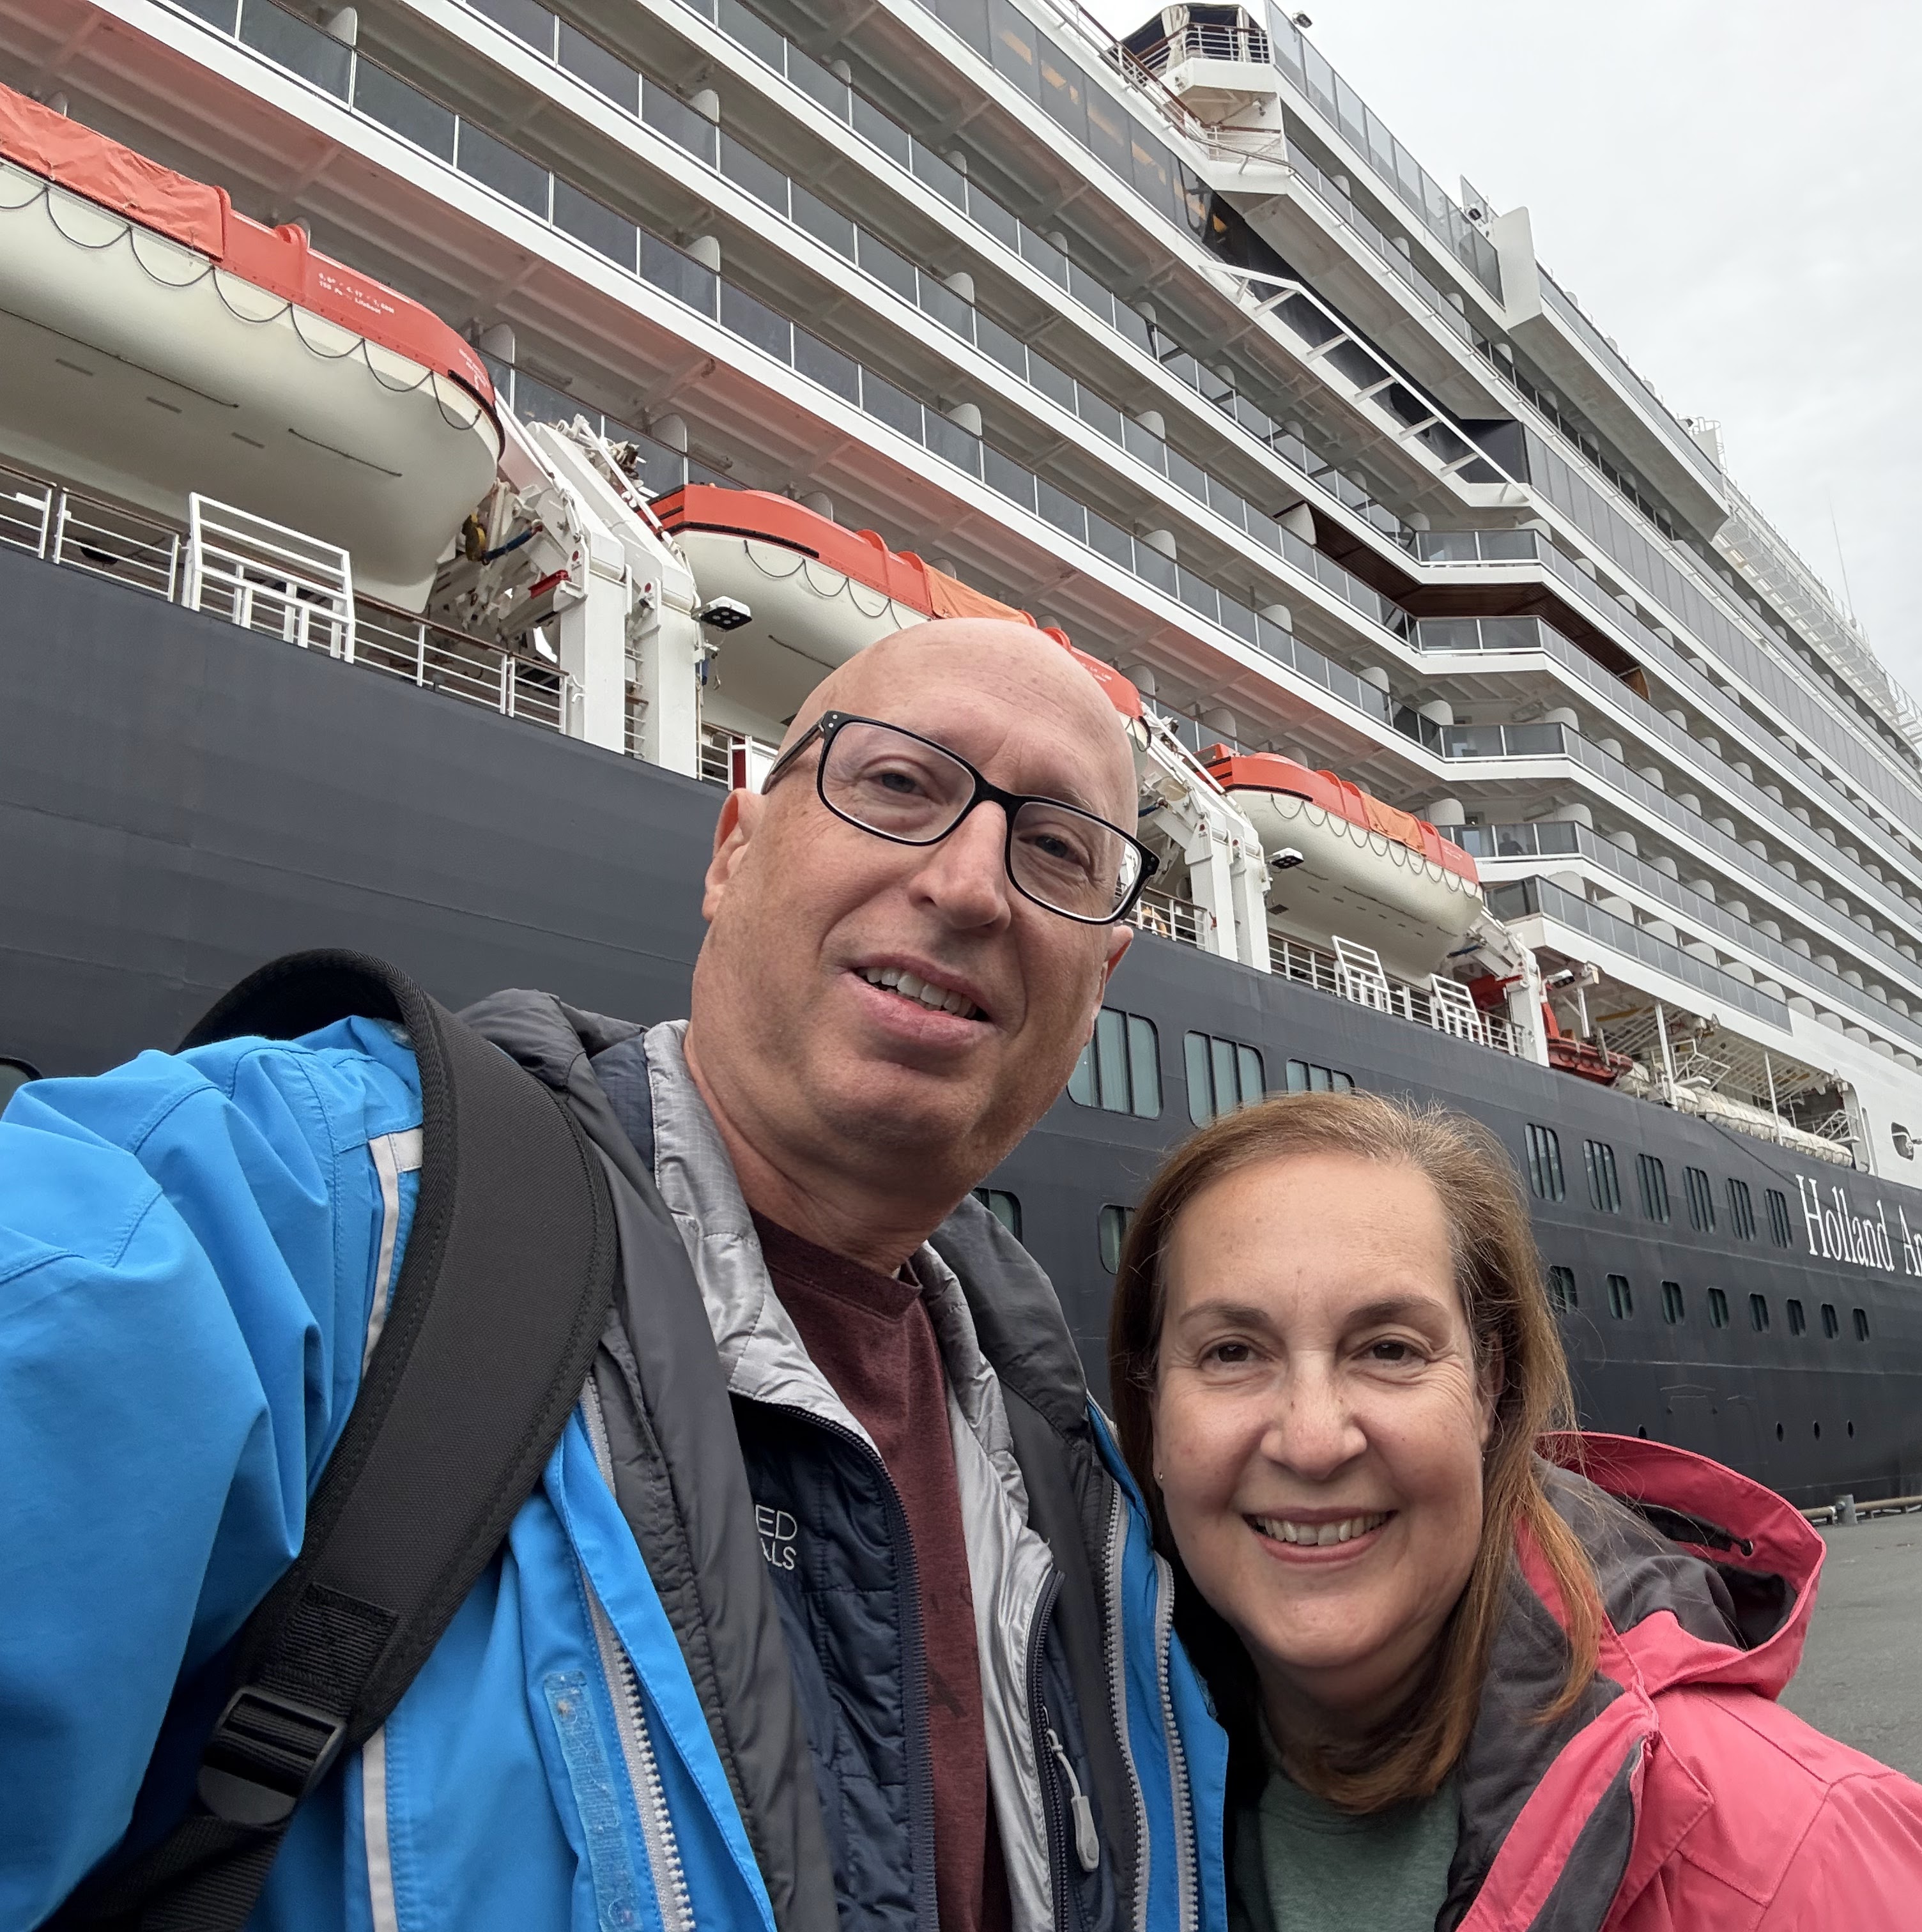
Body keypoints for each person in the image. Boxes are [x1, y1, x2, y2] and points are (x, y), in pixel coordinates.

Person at [0, 618, 1225, 1931]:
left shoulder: (1088, 1496)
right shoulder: (291, 1203)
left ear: (1102, 981)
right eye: (898, 783)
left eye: (1056, 849)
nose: (972, 885)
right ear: (734, 849)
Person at [1108, 1092, 1922, 1932]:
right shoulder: (1067, 1806)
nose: (1311, 1441)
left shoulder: (1804, 1855)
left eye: (1390, 1349)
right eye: (1231, 1353)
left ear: (1489, 1386)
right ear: (1150, 1403)